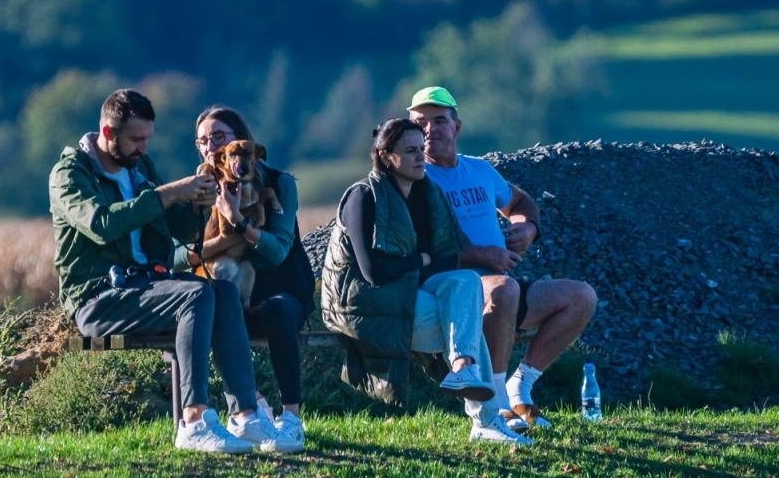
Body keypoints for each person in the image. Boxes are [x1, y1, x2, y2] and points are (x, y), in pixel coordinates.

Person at [51, 88, 289, 453]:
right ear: (109, 133)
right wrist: (170, 193)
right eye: (136, 139)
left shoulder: (138, 167)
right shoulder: (70, 174)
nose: (144, 148)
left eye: (147, 138)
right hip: (98, 297)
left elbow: (177, 228)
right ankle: (194, 421)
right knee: (195, 294)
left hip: (146, 285)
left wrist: (203, 204)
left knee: (221, 291)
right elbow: (100, 224)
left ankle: (247, 417)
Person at [320, 119, 531, 445]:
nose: (421, 156)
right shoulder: (364, 197)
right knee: (466, 321)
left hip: (409, 293)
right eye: (410, 151)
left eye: (421, 149)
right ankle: (485, 419)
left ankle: (464, 368)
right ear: (386, 156)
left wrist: (417, 265)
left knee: (465, 283)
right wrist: (420, 260)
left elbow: (450, 257)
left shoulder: (427, 195)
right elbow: (372, 271)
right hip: (362, 304)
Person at [406, 86, 598, 432]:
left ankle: (519, 386)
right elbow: (415, 247)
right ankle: (495, 405)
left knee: (580, 296)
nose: (430, 130)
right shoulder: (414, 179)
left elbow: (520, 201)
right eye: (420, 124)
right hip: (453, 288)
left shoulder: (479, 169)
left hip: (500, 279)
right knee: (503, 290)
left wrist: (527, 228)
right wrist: (481, 254)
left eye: (438, 121)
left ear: (457, 127)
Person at [187, 105, 313, 450]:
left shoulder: (279, 183)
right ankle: (249, 408)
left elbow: (278, 251)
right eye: (203, 141)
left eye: (219, 137)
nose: (210, 146)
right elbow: (177, 255)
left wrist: (240, 223)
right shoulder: (197, 187)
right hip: (230, 289)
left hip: (280, 284)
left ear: (245, 142)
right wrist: (224, 240)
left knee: (279, 310)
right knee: (211, 303)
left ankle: (291, 419)